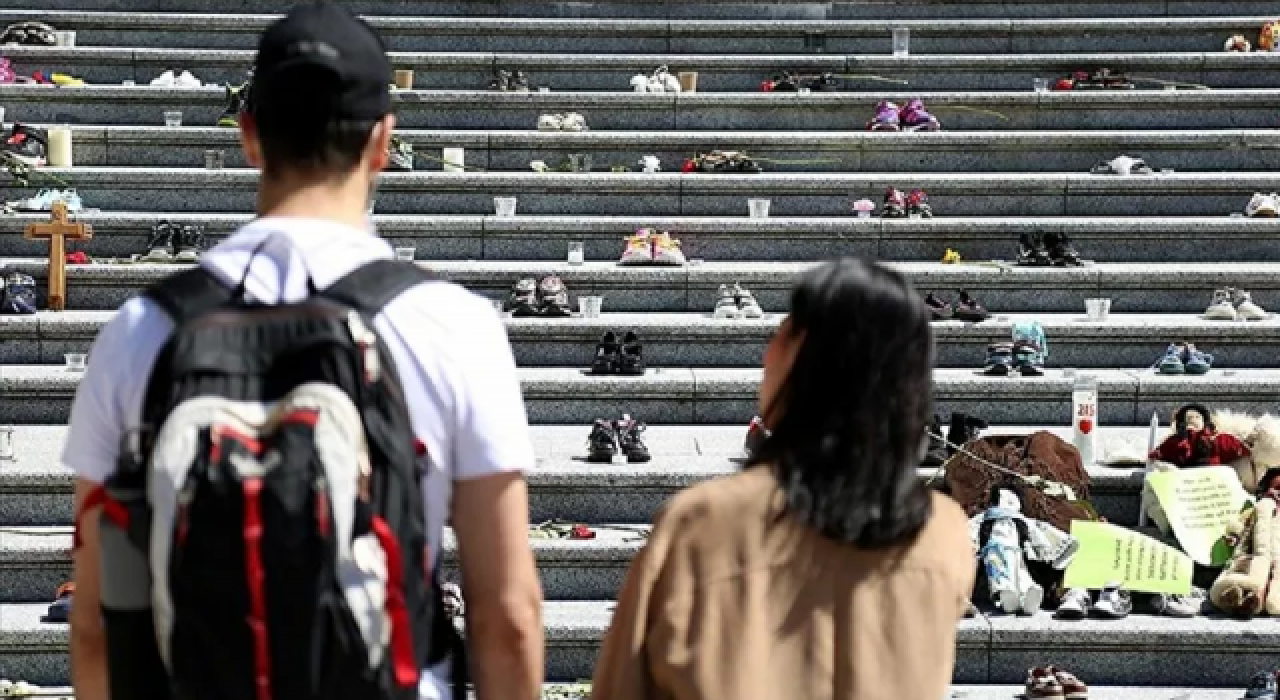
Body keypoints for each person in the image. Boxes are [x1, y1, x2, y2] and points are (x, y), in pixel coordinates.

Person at [64, 4, 543, 700]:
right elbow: (508, 615)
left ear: (249, 135)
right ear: (382, 142)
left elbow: (98, 620)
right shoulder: (454, 326)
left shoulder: (142, 330)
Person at [591, 258, 976, 700]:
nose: (766, 352)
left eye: (783, 333)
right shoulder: (943, 533)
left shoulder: (703, 523)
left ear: (802, 359)